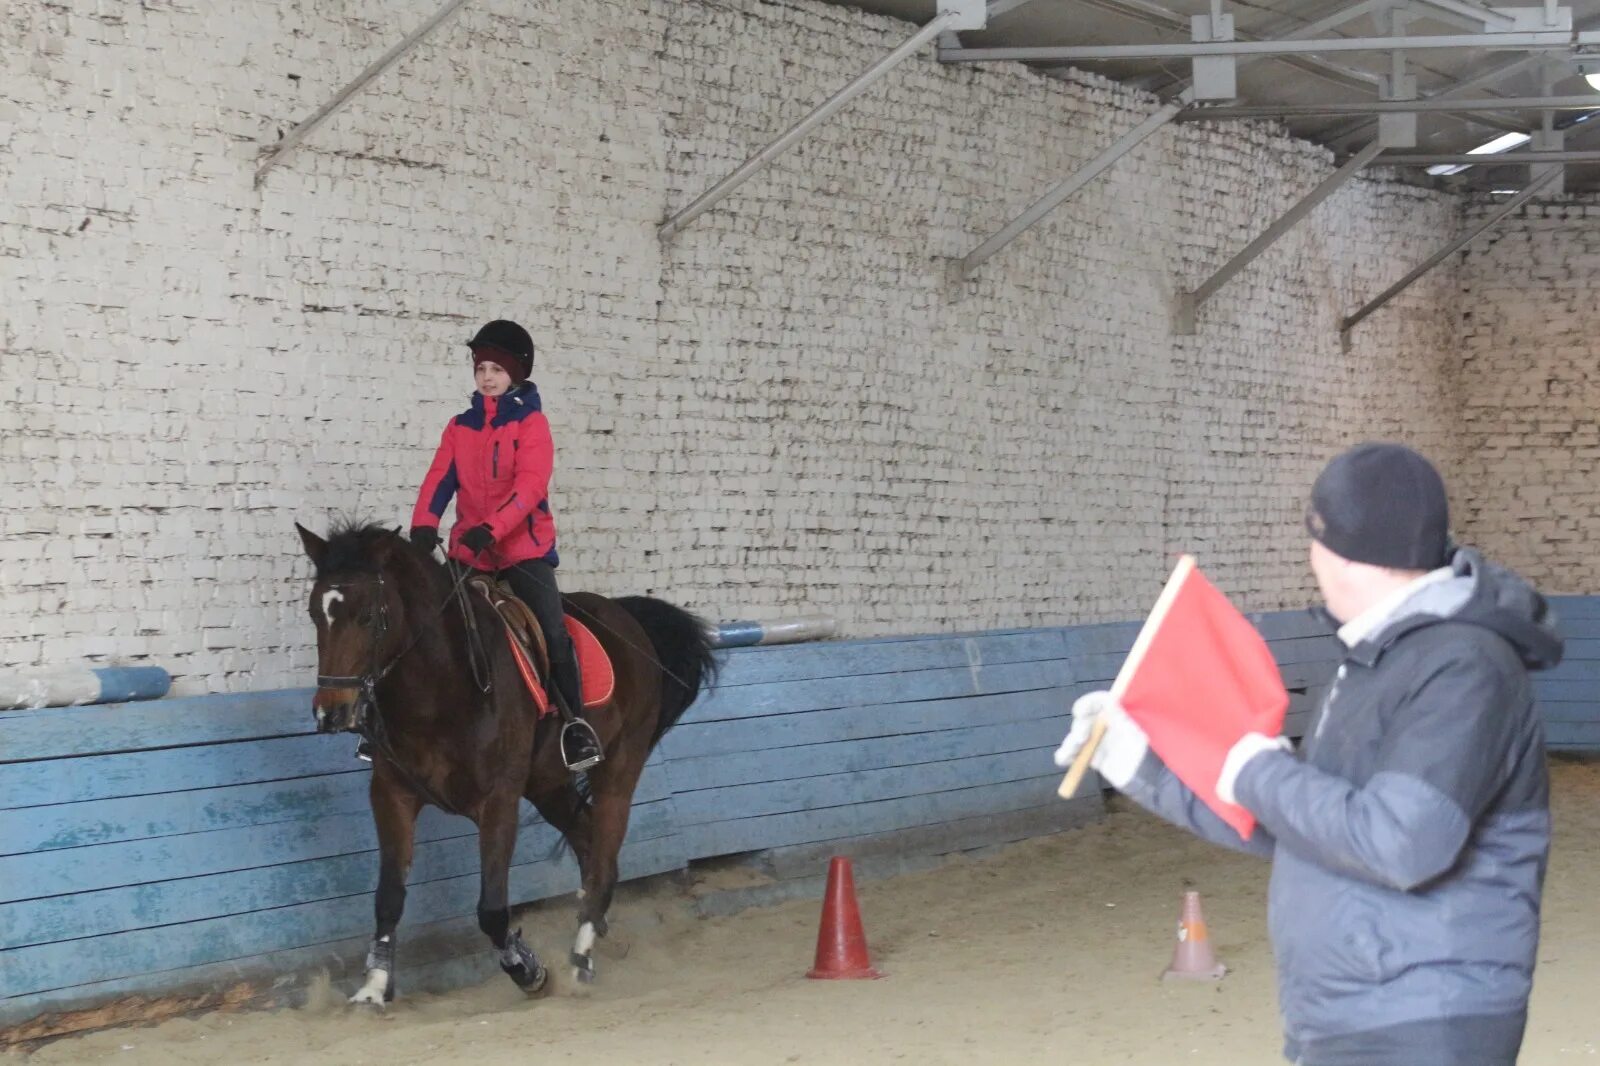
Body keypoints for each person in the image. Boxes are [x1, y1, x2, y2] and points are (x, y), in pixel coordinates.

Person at [1054, 442, 1563, 1066]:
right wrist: (1141, 766)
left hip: (1420, 1019)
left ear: (1346, 555)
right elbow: (1307, 829)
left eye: (1315, 541)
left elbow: (1403, 842)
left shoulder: (1463, 667)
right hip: (1352, 1013)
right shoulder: (1377, 662)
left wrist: (1259, 770)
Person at [402, 319, 601, 773]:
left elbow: (529, 487)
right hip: (468, 553)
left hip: (521, 550)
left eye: (496, 368)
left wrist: (491, 529)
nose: (487, 376)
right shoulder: (459, 427)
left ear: (517, 372)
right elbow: (439, 480)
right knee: (425, 625)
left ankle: (575, 725)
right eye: (481, 368)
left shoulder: (532, 425)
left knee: (552, 632)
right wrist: (423, 525)